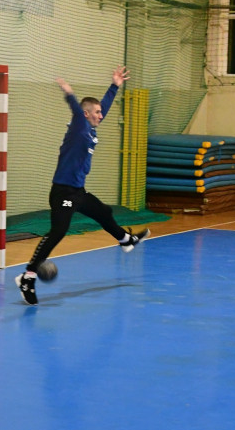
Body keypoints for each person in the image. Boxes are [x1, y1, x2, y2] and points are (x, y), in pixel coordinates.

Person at [15, 65, 150, 305]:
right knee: (58, 231)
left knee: (104, 212)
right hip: (63, 192)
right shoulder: (79, 126)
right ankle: (28, 276)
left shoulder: (89, 129)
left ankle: (125, 241)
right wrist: (69, 94)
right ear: (86, 114)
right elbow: (79, 112)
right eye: (96, 112)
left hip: (77, 191)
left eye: (100, 112)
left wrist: (115, 85)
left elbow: (102, 108)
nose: (101, 115)